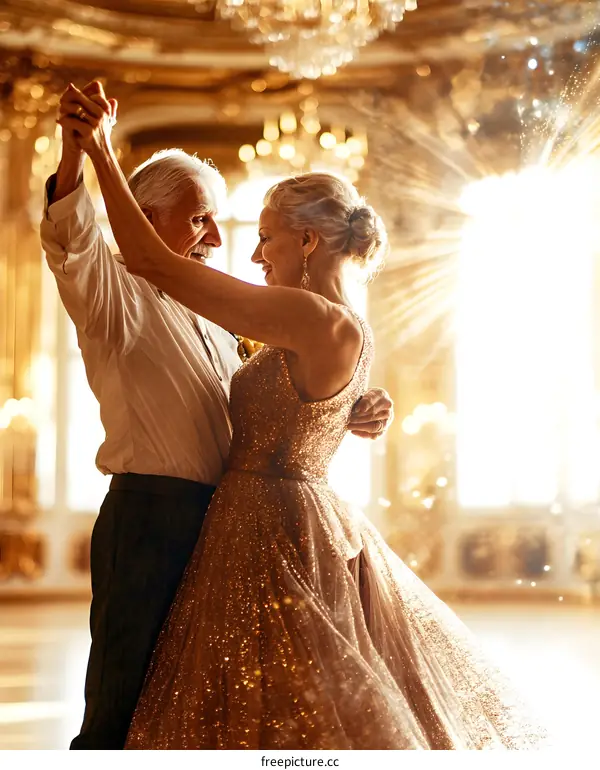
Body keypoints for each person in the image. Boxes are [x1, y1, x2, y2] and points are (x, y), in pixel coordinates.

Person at [59, 83, 549, 750]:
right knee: (204, 699)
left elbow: (156, 265)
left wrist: (100, 148)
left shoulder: (294, 314)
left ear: (309, 240)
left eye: (263, 238)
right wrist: (353, 407)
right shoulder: (301, 319)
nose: (252, 254)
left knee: (257, 698)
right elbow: (285, 390)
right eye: (215, 224)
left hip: (264, 523)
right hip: (203, 515)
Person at [41, 82, 394, 751]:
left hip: (229, 525)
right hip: (150, 515)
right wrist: (80, 150)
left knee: (197, 708)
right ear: (140, 217)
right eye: (198, 217)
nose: (215, 237)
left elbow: (285, 396)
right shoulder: (110, 287)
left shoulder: (218, 309)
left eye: (221, 222)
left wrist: (348, 406)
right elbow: (73, 231)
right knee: (123, 705)